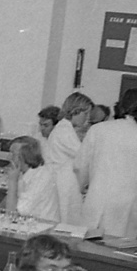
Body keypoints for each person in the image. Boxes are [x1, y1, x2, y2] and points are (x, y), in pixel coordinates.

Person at [76, 88, 137, 239]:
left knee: (88, 245)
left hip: (96, 197)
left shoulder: (97, 129)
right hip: (124, 205)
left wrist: (82, 186)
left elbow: (80, 165)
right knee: (116, 249)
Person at [45, 92, 93, 225]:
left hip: (65, 182)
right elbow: (84, 156)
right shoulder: (64, 131)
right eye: (86, 113)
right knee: (66, 222)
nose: (88, 118)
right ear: (75, 111)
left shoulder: (66, 129)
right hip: (63, 183)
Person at [5, 135, 62, 222]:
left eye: (13, 154)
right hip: (28, 225)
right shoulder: (23, 173)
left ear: (25, 156)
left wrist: (12, 181)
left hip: (42, 229)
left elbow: (12, 214)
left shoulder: (41, 178)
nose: (9, 158)